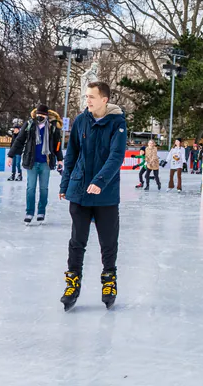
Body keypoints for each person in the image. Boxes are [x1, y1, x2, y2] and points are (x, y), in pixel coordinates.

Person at [58, 81, 127, 312]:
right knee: (77, 241)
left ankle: (109, 281)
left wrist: (99, 182)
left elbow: (116, 156)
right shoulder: (80, 121)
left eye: (92, 97)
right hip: (79, 191)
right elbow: (72, 155)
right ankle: (72, 283)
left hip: (105, 194)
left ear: (104, 99)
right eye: (86, 96)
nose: (87, 100)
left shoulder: (117, 123)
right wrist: (65, 183)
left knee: (108, 241)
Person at [7, 103, 64, 224]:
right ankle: (29, 212)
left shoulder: (52, 128)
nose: (40, 116)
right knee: (30, 188)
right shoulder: (29, 125)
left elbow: (57, 145)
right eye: (38, 114)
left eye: (42, 114)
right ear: (35, 114)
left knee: (44, 189)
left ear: (46, 116)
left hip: (46, 163)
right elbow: (19, 140)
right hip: (32, 162)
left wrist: (60, 159)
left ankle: (41, 211)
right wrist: (10, 155)